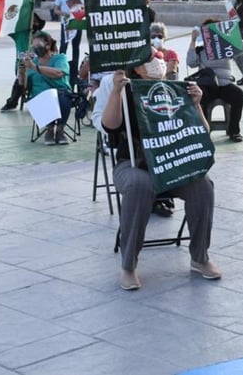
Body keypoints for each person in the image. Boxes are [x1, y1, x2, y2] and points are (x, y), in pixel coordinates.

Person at [92, 59, 221, 290]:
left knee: (203, 185)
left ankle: (200, 257)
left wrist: (197, 104)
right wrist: (116, 90)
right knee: (140, 186)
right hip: (133, 164)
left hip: (172, 163)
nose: (157, 62)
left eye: (157, 57)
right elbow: (110, 127)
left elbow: (202, 132)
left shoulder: (174, 90)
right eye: (149, 59)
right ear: (137, 69)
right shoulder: (125, 91)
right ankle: (128, 265)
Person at [187, 18, 243, 142]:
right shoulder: (201, 50)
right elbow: (191, 62)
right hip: (208, 85)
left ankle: (234, 131)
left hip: (225, 83)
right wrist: (193, 40)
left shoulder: (225, 47)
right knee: (200, 97)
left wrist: (230, 36)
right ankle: (204, 130)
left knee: (238, 94)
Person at [19, 30, 75, 145]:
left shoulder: (60, 58)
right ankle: (49, 130)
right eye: (33, 46)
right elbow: (24, 86)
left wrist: (35, 68)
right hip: (39, 96)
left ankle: (60, 130)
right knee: (44, 98)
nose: (35, 48)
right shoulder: (32, 62)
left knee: (63, 97)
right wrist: (21, 73)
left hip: (60, 93)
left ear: (48, 45)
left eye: (38, 45)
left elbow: (58, 73)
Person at [0, 12, 46, 112]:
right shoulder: (19, 35)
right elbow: (6, 26)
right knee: (21, 77)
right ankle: (12, 101)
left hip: (39, 69)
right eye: (31, 21)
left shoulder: (44, 36)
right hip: (22, 68)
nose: (34, 24)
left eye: (36, 22)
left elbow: (53, 50)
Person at [53, 0, 85, 78]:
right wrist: (64, 14)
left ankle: (74, 70)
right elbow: (56, 10)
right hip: (66, 23)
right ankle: (62, 66)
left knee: (76, 47)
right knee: (64, 45)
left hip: (77, 22)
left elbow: (83, 8)